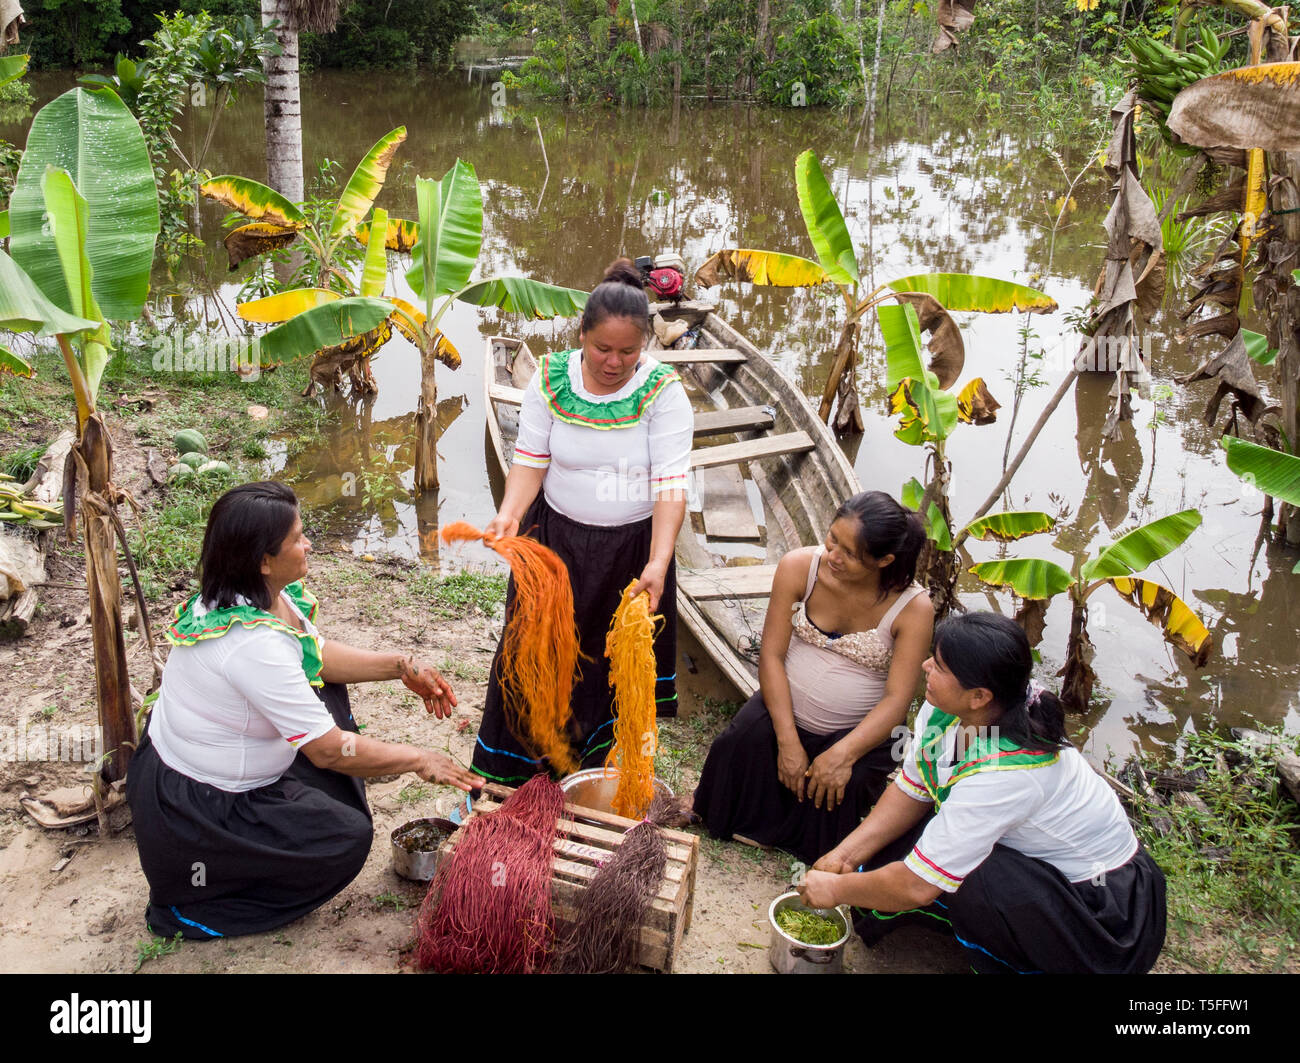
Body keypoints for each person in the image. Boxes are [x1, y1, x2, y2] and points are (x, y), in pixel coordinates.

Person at [125, 481, 482, 940]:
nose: (308, 543)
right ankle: (198, 902)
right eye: (296, 538)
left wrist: (400, 667)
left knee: (327, 692)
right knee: (344, 841)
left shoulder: (250, 593)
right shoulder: (252, 647)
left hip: (203, 764)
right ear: (262, 559)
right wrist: (420, 759)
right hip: (198, 809)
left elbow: (314, 654)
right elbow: (330, 752)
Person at [798, 612, 1167, 974]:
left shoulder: (1006, 776)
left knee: (961, 874)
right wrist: (844, 855)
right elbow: (914, 790)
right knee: (901, 855)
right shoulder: (947, 711)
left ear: (978, 696)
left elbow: (916, 885)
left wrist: (836, 890)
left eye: (939, 666)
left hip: (1099, 909)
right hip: (1037, 865)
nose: (925, 666)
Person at [474, 258, 693, 784]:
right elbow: (529, 460)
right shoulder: (550, 381)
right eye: (602, 349)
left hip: (631, 554)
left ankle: (594, 779)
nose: (614, 362)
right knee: (531, 653)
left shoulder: (664, 393)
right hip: (553, 545)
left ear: (645, 344)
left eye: (628, 351)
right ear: (581, 335)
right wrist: (508, 515)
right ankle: (514, 776)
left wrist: (659, 562)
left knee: (607, 664)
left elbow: (670, 485)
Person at [692, 491, 933, 863]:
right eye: (832, 539)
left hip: (856, 732)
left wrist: (842, 753)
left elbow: (896, 701)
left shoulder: (913, 608)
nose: (833, 556)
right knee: (737, 743)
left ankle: (812, 845)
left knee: (842, 784)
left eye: (850, 554)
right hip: (783, 707)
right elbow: (771, 656)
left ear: (884, 560)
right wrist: (788, 741)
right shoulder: (799, 567)